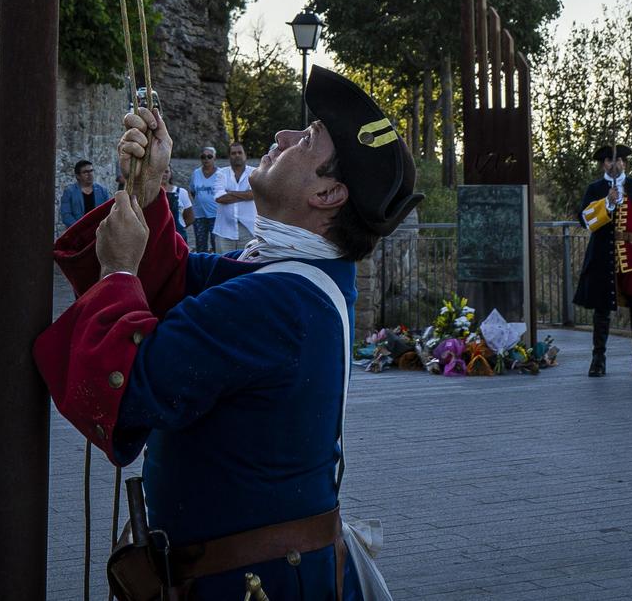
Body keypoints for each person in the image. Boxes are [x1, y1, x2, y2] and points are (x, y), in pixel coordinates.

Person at [35, 66, 421, 600]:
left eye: (306, 140)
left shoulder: (281, 300)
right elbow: (181, 285)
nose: (282, 138)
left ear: (328, 193)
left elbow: (132, 391)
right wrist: (150, 195)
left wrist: (119, 273)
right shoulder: (293, 277)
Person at [574, 143, 632, 378]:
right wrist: (606, 203)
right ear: (603, 164)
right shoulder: (595, 189)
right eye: (608, 161)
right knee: (601, 312)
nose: (614, 164)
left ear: (623, 163)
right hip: (603, 258)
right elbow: (585, 220)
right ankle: (598, 360)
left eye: (617, 161)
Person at [211, 142, 258, 253]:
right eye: (233, 153)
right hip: (224, 230)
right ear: (229, 157)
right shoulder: (221, 173)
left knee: (247, 265)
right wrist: (246, 195)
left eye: (239, 152)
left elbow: (255, 194)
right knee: (224, 265)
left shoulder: (254, 173)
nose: (237, 155)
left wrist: (230, 192)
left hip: (249, 229)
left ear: (245, 155)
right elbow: (219, 198)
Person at [189, 146, 223, 254]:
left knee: (217, 245)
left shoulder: (221, 174)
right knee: (200, 246)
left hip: (216, 216)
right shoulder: (196, 173)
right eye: (203, 157)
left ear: (215, 158)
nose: (206, 159)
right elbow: (193, 191)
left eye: (209, 156)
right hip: (199, 216)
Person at [59, 158, 106, 231]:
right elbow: (66, 215)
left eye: (91, 171)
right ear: (78, 176)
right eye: (85, 172)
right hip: (78, 233)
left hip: (98, 232)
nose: (90, 174)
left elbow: (108, 211)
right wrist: (80, 228)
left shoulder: (102, 191)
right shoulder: (69, 192)